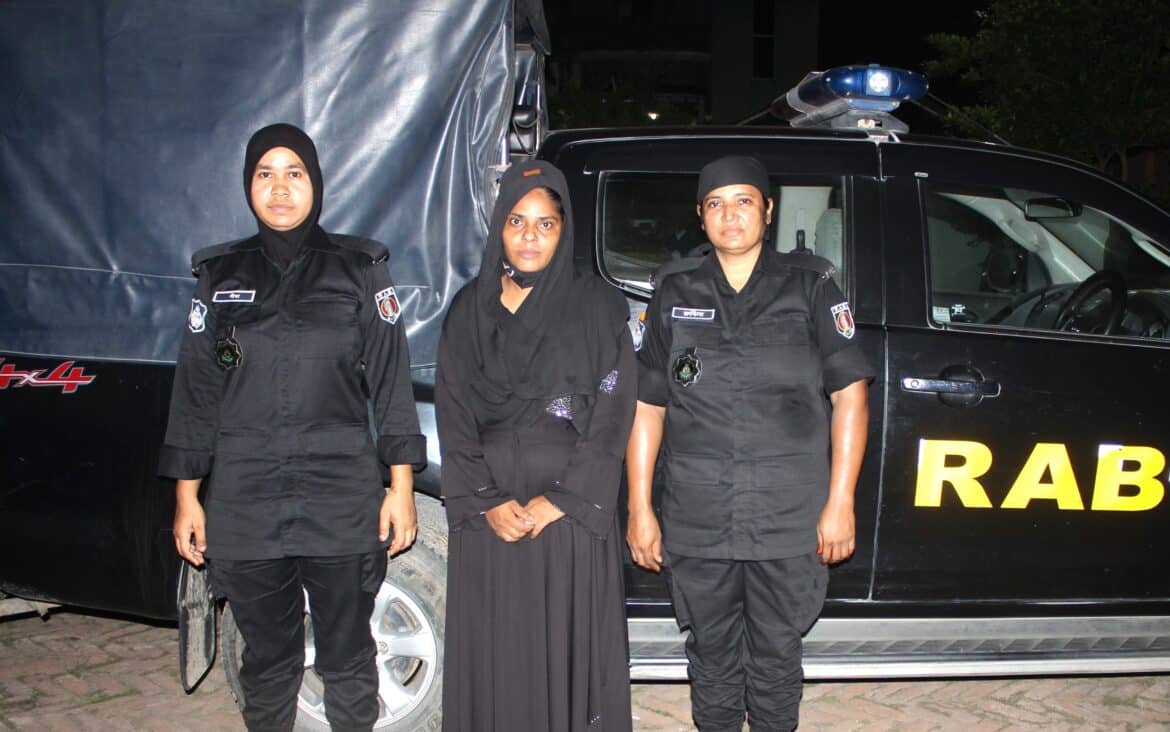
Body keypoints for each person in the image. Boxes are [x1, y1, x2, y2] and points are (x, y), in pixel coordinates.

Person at [160, 123, 426, 732]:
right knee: (268, 663)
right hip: (247, 497)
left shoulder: (360, 269)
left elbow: (391, 383)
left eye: (294, 174)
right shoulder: (219, 276)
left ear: (316, 183)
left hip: (340, 494)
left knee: (347, 659)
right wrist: (187, 497)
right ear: (248, 185)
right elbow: (196, 393)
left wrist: (402, 487)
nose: (279, 189)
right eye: (265, 174)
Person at [625, 155, 872, 732]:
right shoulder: (674, 291)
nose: (729, 215)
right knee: (710, 656)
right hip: (698, 514)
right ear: (700, 215)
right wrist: (639, 508)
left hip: (788, 516)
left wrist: (841, 503)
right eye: (715, 204)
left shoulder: (811, 287)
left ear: (768, 210)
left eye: (743, 201)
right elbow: (647, 407)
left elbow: (851, 397)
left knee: (776, 657)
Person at [436, 160, 635, 732]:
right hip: (491, 514)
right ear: (499, 225)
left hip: (568, 514)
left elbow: (613, 414)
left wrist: (564, 500)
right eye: (517, 221)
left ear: (563, 230)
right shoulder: (469, 310)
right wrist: (485, 500)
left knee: (569, 646)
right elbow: (452, 414)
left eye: (546, 224)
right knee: (497, 650)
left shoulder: (597, 307)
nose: (529, 236)